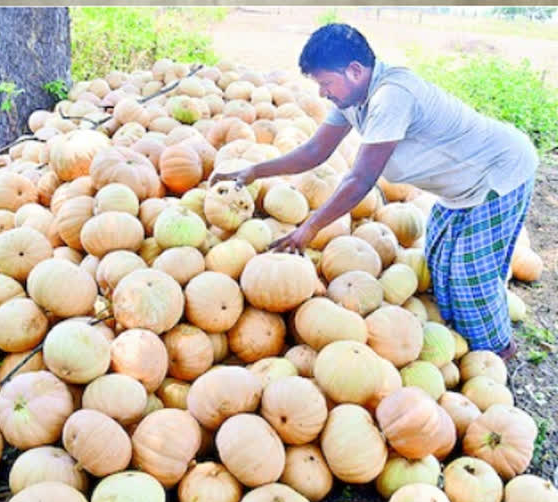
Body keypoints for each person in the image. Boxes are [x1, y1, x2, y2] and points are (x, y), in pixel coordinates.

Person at [209, 23, 538, 358]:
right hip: (461, 186)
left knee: (472, 275)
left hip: (499, 172)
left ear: (354, 70)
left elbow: (360, 179)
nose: (322, 93)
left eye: (325, 83)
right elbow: (314, 152)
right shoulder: (352, 98)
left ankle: (498, 352)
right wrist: (253, 171)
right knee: (440, 263)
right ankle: (467, 338)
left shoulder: (391, 96)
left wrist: (308, 229)